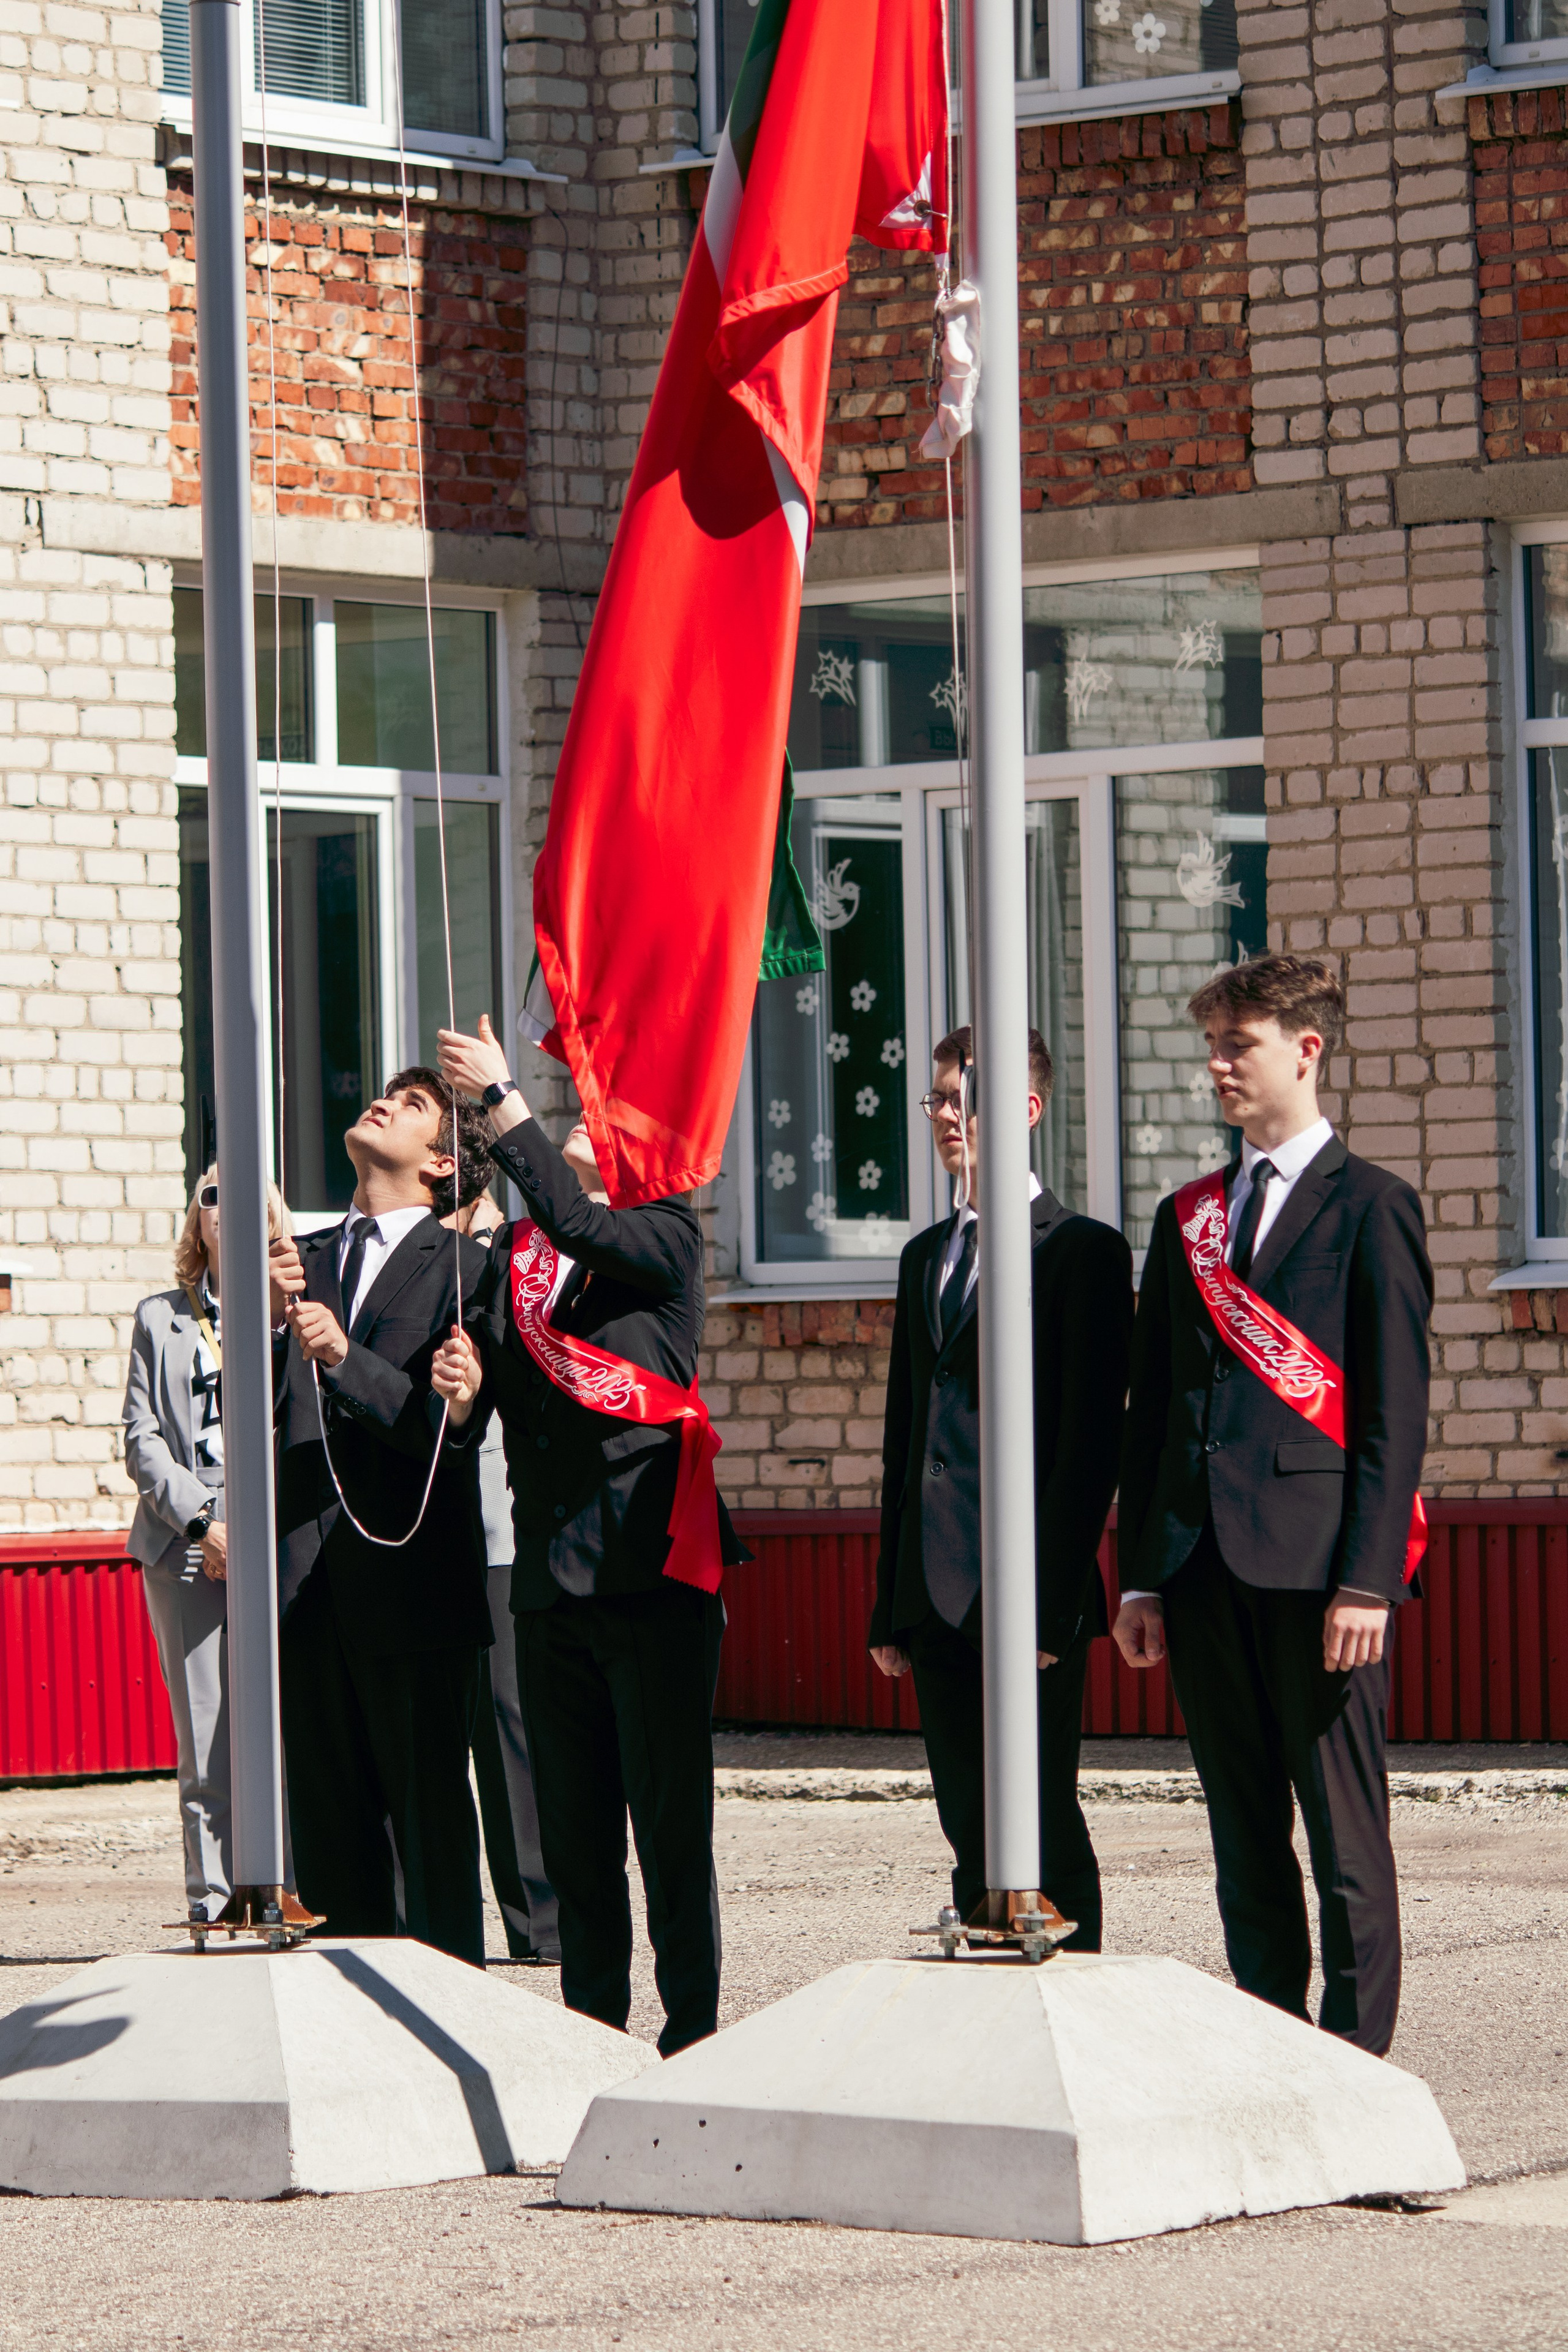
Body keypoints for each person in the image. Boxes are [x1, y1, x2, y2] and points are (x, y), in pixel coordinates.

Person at [1114, 954, 1431, 2057]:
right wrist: (1142, 1575)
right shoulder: (1188, 1218)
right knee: (1242, 1834)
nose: (1218, 1065)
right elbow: (1156, 1407)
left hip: (1319, 1574)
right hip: (1202, 1571)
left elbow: (1393, 1414)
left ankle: (1355, 2066)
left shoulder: (1375, 1207)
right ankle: (1272, 2050)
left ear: (1307, 1050)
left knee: (1344, 1836)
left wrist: (1370, 1581)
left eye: (1237, 1044)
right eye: (1212, 1045)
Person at [431, 1014, 748, 2057]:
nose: (578, 1120)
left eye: (600, 1117)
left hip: (651, 1575)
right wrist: (464, 1395)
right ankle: (595, 2032)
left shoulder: (662, 1236)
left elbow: (576, 1223)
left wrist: (499, 1098)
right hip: (549, 1586)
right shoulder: (517, 1262)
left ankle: (693, 2036)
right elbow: (481, 1397)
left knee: (668, 1827)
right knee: (574, 1836)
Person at [868, 1025, 1133, 1945]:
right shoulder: (925, 1256)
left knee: (1041, 1812)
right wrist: (889, 1603)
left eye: (962, 1098)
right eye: (937, 1099)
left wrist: (1051, 1608)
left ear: (1024, 1109)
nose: (946, 1116)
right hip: (934, 1588)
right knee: (967, 1817)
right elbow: (906, 1435)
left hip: (1025, 1593)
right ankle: (993, 1975)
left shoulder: (1082, 1251)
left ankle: (1074, 1979)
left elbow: (1089, 1445)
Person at [265, 1068, 494, 1964]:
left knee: (431, 1831)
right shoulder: (300, 1262)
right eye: (386, 1092)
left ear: (441, 1163)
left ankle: (447, 2015)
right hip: (306, 1590)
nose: (383, 1103)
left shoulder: (469, 1269)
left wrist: (342, 1356)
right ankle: (345, 2015)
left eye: (413, 1104)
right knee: (329, 1837)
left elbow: (442, 1433)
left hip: (412, 1591)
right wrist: (268, 1327)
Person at [123, 1164, 291, 1923]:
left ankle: (283, 1886)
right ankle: (214, 1901)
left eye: (243, 1193)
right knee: (206, 1725)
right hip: (185, 1532)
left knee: (286, 1718)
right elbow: (142, 1439)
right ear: (197, 1220)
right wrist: (201, 1522)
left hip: (280, 1522)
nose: (225, 1206)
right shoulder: (159, 1316)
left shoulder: (294, 1307)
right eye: (210, 1196)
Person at [445, 1178, 560, 1965]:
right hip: (427, 1534)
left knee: (511, 1732)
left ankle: (541, 1922)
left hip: (500, 1532)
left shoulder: (515, 1253)